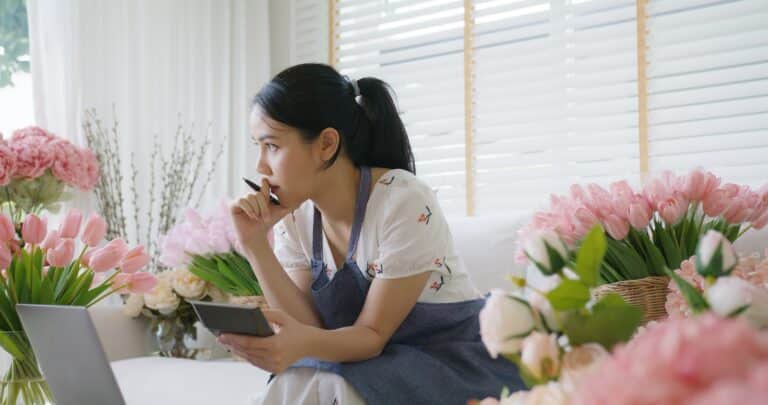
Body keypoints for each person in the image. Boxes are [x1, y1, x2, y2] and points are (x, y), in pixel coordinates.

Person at [221, 63, 523, 405]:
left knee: (334, 382)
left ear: (326, 144)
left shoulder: (403, 200)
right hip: (372, 360)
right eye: (258, 147)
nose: (261, 166)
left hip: (448, 358)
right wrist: (255, 243)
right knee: (303, 376)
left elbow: (371, 336)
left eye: (272, 146)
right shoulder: (297, 217)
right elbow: (312, 331)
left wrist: (300, 345)